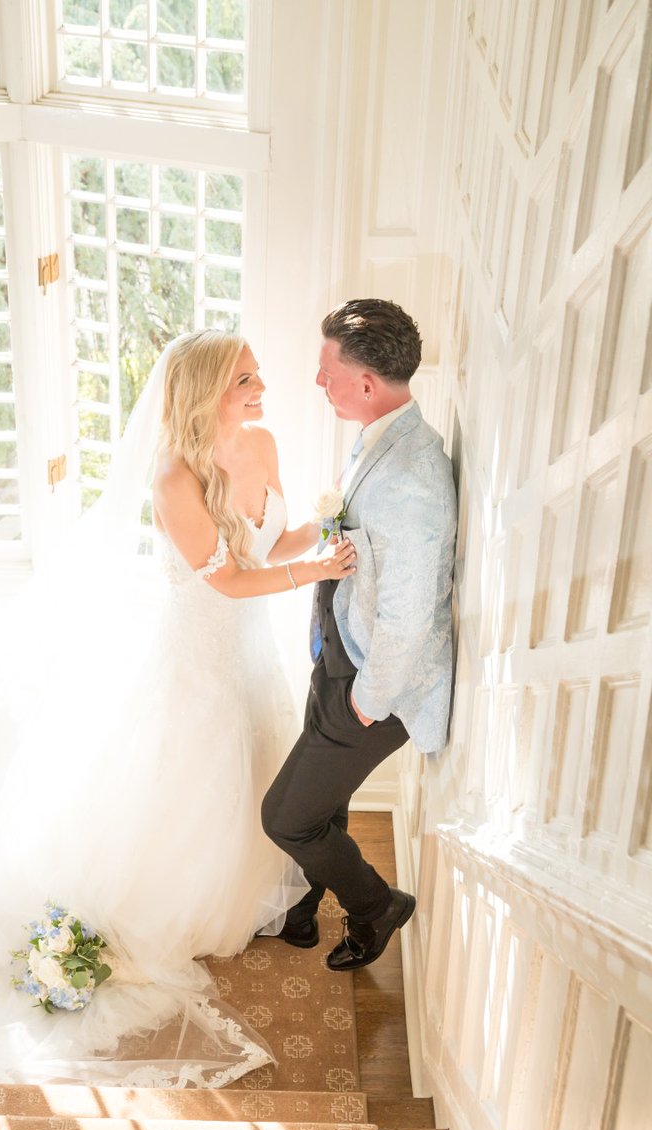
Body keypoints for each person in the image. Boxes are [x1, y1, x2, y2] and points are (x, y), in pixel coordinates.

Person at [0, 328, 359, 1087]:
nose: (262, 383)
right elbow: (228, 582)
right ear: (209, 389)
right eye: (246, 376)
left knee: (257, 763)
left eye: (256, 371)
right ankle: (190, 906)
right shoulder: (173, 478)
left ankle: (260, 884)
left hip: (249, 650)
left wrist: (332, 530)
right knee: (201, 776)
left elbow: (274, 542)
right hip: (201, 653)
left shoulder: (261, 441)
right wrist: (314, 569)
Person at [262, 299, 456, 972]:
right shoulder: (384, 435)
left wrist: (369, 699)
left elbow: (408, 614)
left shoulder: (413, 479)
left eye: (327, 371)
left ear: (367, 383)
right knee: (325, 805)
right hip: (340, 655)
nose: (320, 383)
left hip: (371, 686)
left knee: (286, 818)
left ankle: (376, 907)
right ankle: (301, 908)